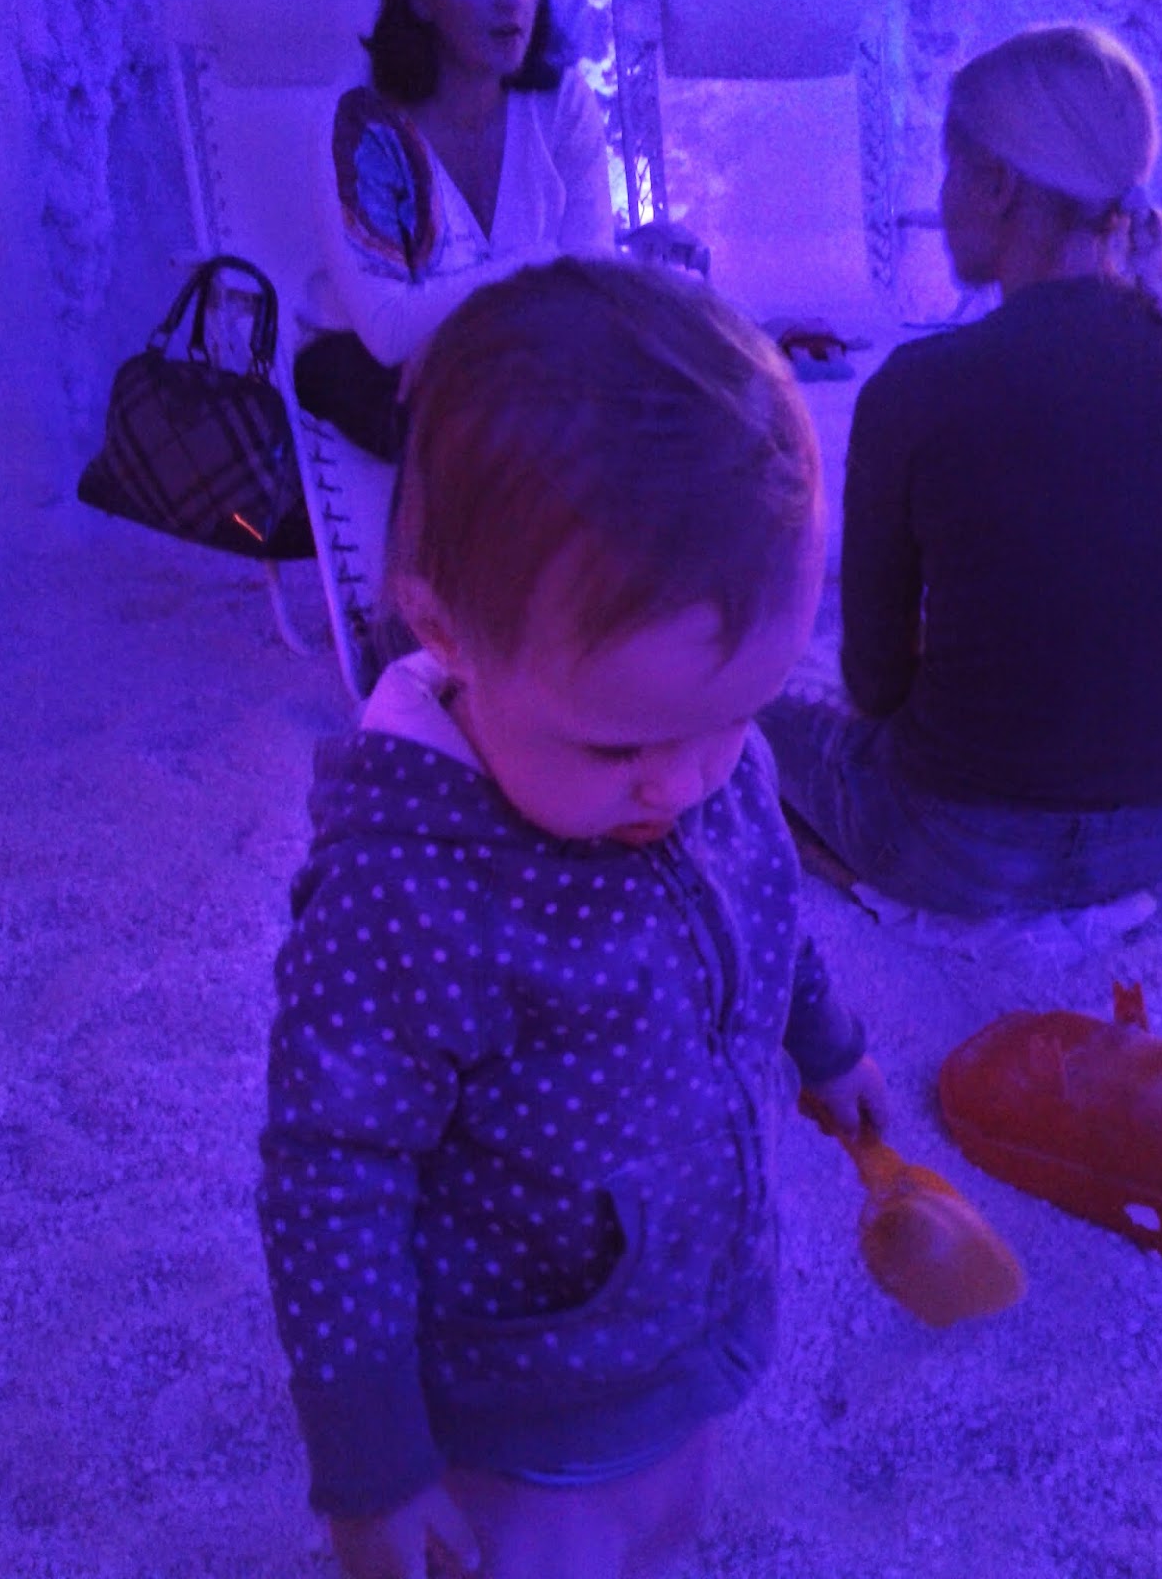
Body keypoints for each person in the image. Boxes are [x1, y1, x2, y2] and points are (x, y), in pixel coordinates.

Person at [259, 257, 889, 1579]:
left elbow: (765, 902)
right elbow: (333, 1178)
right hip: (522, 1389)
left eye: (735, 715)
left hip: (680, 1311)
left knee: (662, 1517)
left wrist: (826, 1045)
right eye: (618, 746)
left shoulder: (701, 753)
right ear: (444, 628)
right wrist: (373, 1467)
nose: (685, 781)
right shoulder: (404, 899)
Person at [760, 22, 1162, 916]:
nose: (944, 195)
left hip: (962, 853)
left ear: (997, 184)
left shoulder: (922, 386)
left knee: (747, 709)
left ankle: (846, 872)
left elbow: (875, 683)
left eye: (950, 169)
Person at [294, 0, 614, 458]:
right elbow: (390, 332)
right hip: (367, 370)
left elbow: (592, 288)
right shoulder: (362, 120)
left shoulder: (562, 102)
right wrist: (541, 264)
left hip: (512, 357)